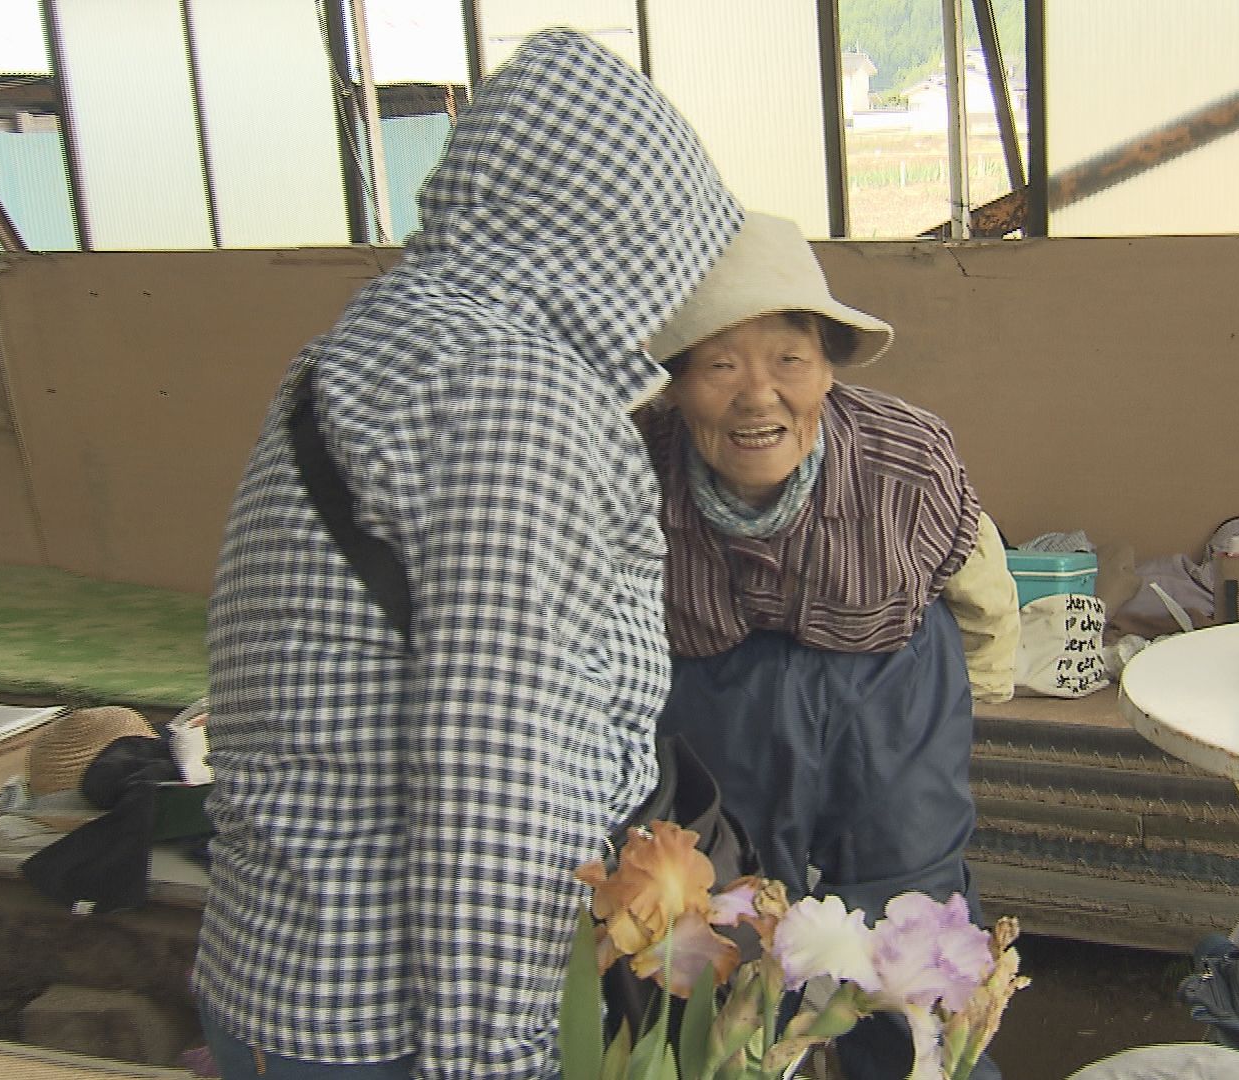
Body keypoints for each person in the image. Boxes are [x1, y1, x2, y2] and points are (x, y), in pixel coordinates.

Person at [193, 29, 741, 1080]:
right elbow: (494, 766)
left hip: (285, 975)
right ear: (613, 231)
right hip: (391, 1029)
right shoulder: (514, 396)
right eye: (669, 247)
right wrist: (503, 1061)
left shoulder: (370, 347)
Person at [636, 211, 1018, 1079]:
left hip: (887, 700)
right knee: (724, 938)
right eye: (720, 365)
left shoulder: (904, 455)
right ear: (675, 383)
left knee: (908, 941)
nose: (757, 396)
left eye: (789, 360)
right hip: (708, 716)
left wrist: (977, 695)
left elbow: (978, 578)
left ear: (827, 367)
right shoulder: (633, 470)